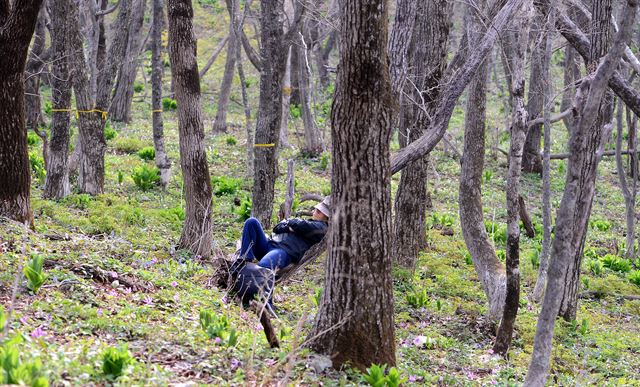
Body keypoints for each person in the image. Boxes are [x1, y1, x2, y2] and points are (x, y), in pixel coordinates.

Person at [233, 196, 331, 272]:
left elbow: (301, 225)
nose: (315, 211)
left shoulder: (322, 228)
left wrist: (291, 223)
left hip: (283, 252)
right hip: (269, 245)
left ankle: (251, 285)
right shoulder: (310, 223)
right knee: (251, 222)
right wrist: (290, 226)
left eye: (319, 212)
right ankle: (244, 260)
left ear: (326, 217)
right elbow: (277, 228)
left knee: (261, 270)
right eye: (316, 209)